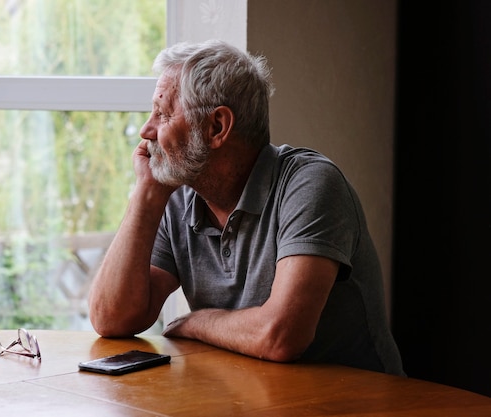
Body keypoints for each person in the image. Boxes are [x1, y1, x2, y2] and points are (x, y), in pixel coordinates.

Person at [88, 39, 405, 375]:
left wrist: (195, 322)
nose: (146, 129)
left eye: (162, 113)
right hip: (252, 399)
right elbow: (112, 318)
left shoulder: (311, 185)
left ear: (217, 127)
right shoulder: (179, 195)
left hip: (356, 404)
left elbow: (281, 336)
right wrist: (146, 195)